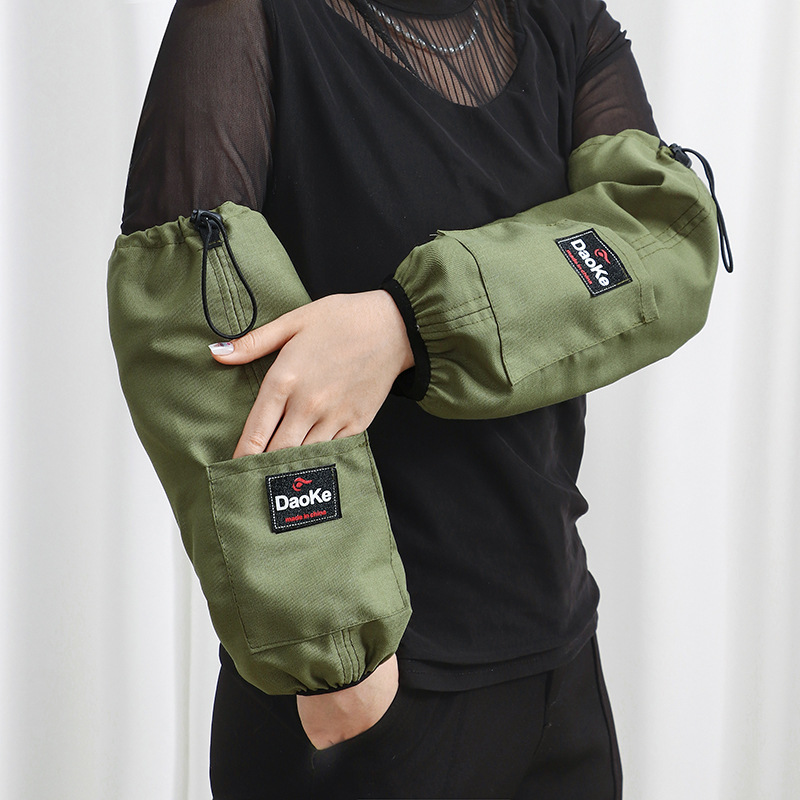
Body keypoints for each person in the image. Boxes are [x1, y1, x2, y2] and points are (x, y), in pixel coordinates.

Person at [115, 0, 721, 797]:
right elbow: (197, 333)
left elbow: (665, 243)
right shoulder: (243, 17)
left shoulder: (565, 19)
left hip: (561, 656)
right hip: (372, 689)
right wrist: (337, 662)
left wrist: (405, 325)